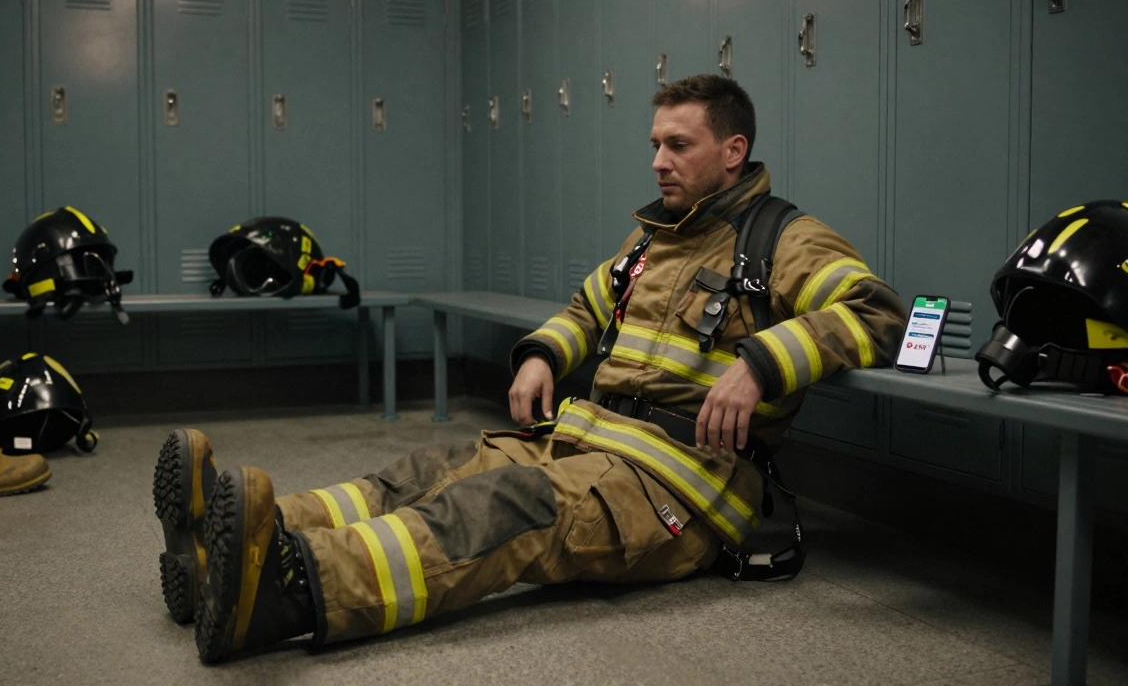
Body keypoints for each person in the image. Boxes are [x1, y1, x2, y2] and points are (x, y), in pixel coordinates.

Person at [152, 75, 908, 663]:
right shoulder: (655, 241)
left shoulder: (783, 238)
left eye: (678, 145)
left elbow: (878, 312)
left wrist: (761, 364)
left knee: (498, 507)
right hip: (592, 440)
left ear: (733, 151)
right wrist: (545, 353)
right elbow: (584, 310)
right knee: (426, 472)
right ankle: (231, 544)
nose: (657, 161)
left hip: (683, 485)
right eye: (655, 143)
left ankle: (285, 590)